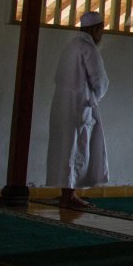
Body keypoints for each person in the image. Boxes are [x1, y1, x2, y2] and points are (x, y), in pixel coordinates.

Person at [45, 11, 110, 210]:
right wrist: (94, 98)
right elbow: (100, 81)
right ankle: (70, 195)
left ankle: (66, 192)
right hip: (80, 105)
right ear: (97, 29)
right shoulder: (88, 48)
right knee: (76, 148)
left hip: (61, 104)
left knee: (65, 148)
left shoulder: (71, 46)